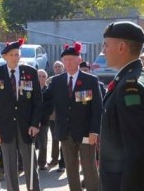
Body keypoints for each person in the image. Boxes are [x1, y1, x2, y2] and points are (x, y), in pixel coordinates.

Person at [99, 21, 144, 191]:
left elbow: (138, 149)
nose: (103, 51)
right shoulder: (137, 76)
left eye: (106, 45)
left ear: (121, 47)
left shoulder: (131, 86)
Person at [43, 42, 102, 191]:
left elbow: (97, 108)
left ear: (78, 60)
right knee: (71, 168)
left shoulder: (90, 80)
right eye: (66, 59)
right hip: (65, 132)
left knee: (89, 167)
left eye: (71, 59)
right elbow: (45, 99)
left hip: (86, 132)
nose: (68, 62)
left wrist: (95, 131)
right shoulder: (56, 81)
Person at [0, 38, 42, 191]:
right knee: (10, 167)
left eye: (17, 54)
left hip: (27, 126)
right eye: (12, 55)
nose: (15, 57)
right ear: (5, 57)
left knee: (30, 164)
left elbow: (38, 102)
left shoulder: (30, 72)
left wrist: (35, 123)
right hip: (5, 127)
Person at [46, 60, 66, 172]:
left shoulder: (66, 79)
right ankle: (54, 159)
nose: (58, 68)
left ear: (63, 68)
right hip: (52, 115)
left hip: (63, 115)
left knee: (63, 138)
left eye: (59, 66)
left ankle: (63, 162)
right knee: (54, 138)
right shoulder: (50, 80)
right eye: (56, 67)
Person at [36, 69, 52, 170]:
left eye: (43, 76)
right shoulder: (31, 88)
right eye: (39, 76)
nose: (41, 78)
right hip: (31, 121)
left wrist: (41, 119)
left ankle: (41, 163)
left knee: (43, 143)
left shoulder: (48, 90)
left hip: (44, 121)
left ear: (46, 78)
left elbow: (49, 107)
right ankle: (28, 163)